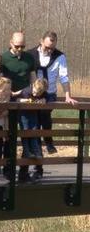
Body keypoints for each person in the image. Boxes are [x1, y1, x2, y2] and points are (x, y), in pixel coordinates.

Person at [28, 32, 77, 162]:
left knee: (44, 113)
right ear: (41, 41)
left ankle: (48, 141)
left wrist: (67, 95)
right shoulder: (30, 54)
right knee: (35, 125)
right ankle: (39, 161)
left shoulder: (59, 56)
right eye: (47, 47)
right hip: (34, 93)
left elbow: (64, 76)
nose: (50, 50)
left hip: (49, 93)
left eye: (52, 48)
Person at [0, 32, 39, 182]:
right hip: (9, 102)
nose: (20, 49)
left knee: (28, 136)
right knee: (9, 138)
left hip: (26, 101)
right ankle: (8, 171)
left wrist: (36, 95)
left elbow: (33, 78)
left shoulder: (29, 58)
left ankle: (24, 172)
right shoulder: (3, 58)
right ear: (11, 43)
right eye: (17, 46)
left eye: (23, 46)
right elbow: (0, 81)